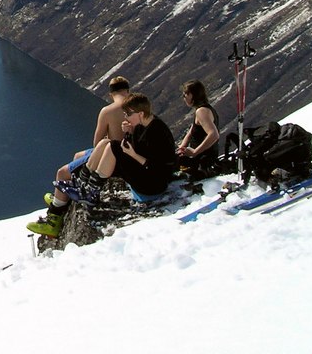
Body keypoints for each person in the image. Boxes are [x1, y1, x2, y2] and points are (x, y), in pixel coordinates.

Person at [27, 92, 175, 237]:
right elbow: (138, 148)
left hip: (153, 185)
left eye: (128, 114)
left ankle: (90, 191)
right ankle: (84, 184)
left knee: (113, 147)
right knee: (106, 143)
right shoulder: (142, 125)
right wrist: (129, 132)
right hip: (145, 175)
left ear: (141, 114)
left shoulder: (157, 132)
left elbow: (157, 167)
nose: (126, 117)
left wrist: (132, 154)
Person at [25, 76, 131, 238]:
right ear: (127, 90)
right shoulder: (137, 107)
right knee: (78, 155)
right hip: (127, 155)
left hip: (109, 157)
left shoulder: (108, 111)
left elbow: (97, 143)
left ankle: (54, 219)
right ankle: (62, 198)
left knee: (61, 173)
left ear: (111, 93)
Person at [177, 79, 220, 175]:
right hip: (204, 156)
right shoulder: (204, 108)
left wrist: (195, 152)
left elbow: (214, 134)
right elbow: (192, 130)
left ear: (193, 95)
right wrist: (182, 147)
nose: (184, 97)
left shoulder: (201, 111)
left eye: (186, 94)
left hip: (202, 159)